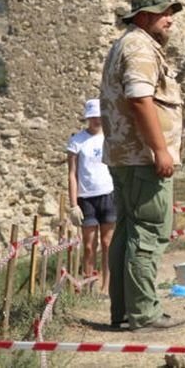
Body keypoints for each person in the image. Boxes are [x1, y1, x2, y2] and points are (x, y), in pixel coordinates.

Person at [100, 0, 185, 332]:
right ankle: (144, 314)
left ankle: (124, 311)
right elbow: (139, 99)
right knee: (148, 231)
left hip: (126, 156)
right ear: (142, 16)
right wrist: (160, 149)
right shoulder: (139, 48)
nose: (170, 19)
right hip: (141, 157)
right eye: (163, 13)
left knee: (127, 231)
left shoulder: (128, 44)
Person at [66, 98, 116, 294]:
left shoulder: (110, 138)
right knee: (88, 245)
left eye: (99, 116)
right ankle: (88, 286)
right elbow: (72, 173)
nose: (97, 120)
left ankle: (107, 285)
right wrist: (73, 204)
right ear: (88, 117)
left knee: (107, 243)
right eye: (93, 116)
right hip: (86, 199)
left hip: (108, 195)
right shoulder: (76, 141)